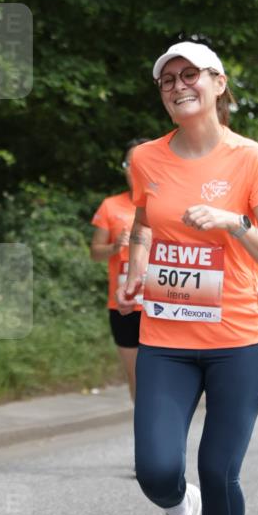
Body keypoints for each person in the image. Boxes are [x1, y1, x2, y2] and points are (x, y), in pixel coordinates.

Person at [117, 39, 258, 515]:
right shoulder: (147, 158)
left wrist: (234, 222)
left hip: (241, 341)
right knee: (156, 469)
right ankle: (175, 510)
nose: (177, 85)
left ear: (218, 83)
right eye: (167, 79)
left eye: (190, 74)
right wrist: (136, 266)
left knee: (217, 468)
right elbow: (144, 221)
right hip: (166, 336)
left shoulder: (252, 159)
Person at [90, 139, 150, 401]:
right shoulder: (110, 206)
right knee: (137, 377)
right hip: (124, 305)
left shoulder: (167, 204)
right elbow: (94, 252)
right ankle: (146, 433)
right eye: (129, 163)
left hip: (162, 303)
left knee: (164, 375)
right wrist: (115, 247)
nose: (134, 169)